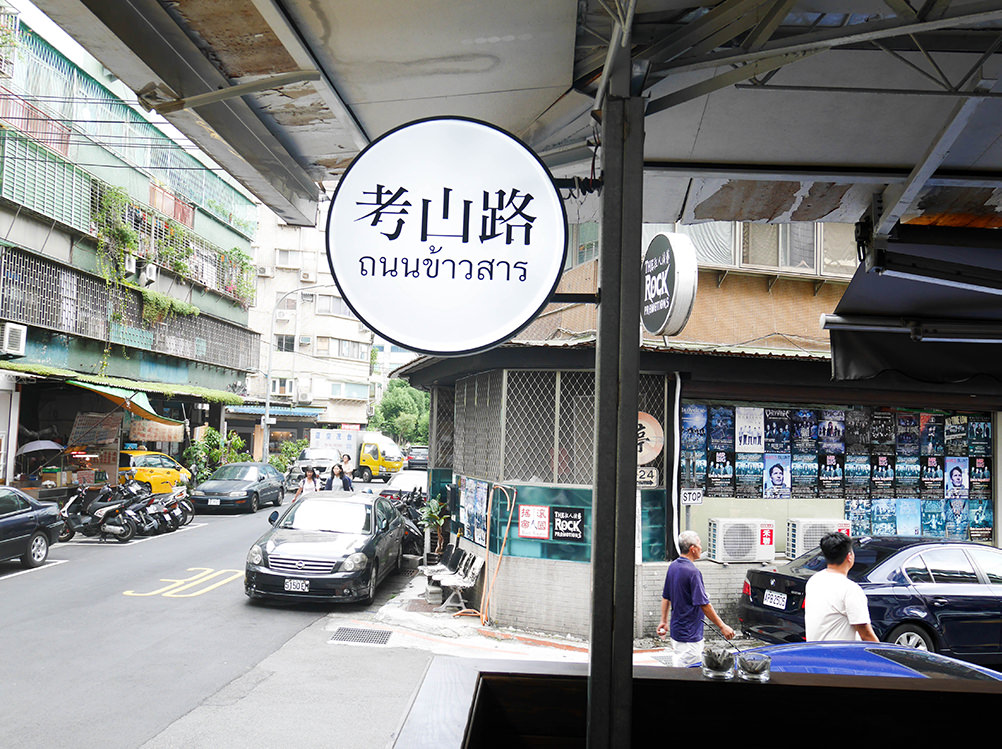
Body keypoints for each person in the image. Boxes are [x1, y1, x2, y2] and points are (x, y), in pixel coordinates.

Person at [657, 530, 735, 667]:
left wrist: (663, 621)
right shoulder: (693, 572)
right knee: (687, 671)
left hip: (677, 631)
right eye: (699, 544)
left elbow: (666, 597)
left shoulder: (673, 566)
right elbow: (704, 605)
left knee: (679, 664)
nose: (701, 548)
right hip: (689, 635)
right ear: (692, 548)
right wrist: (722, 626)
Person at [804, 531, 878, 642]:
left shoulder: (814, 580)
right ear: (849, 556)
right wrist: (880, 652)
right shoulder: (850, 590)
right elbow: (866, 635)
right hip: (840, 652)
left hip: (815, 649)